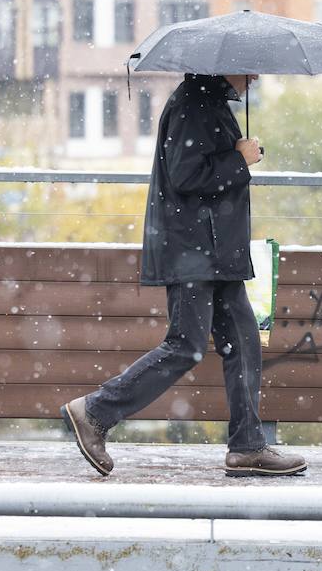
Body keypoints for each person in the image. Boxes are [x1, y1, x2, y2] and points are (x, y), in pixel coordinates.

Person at [60, 72, 307, 478]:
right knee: (185, 345)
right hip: (194, 252)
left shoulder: (209, 102)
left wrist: (237, 155)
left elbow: (202, 170)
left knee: (243, 341)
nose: (256, 76)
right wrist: (238, 160)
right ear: (224, 66)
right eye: (248, 68)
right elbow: (185, 175)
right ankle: (95, 411)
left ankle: (247, 446)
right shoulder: (192, 104)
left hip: (216, 252)